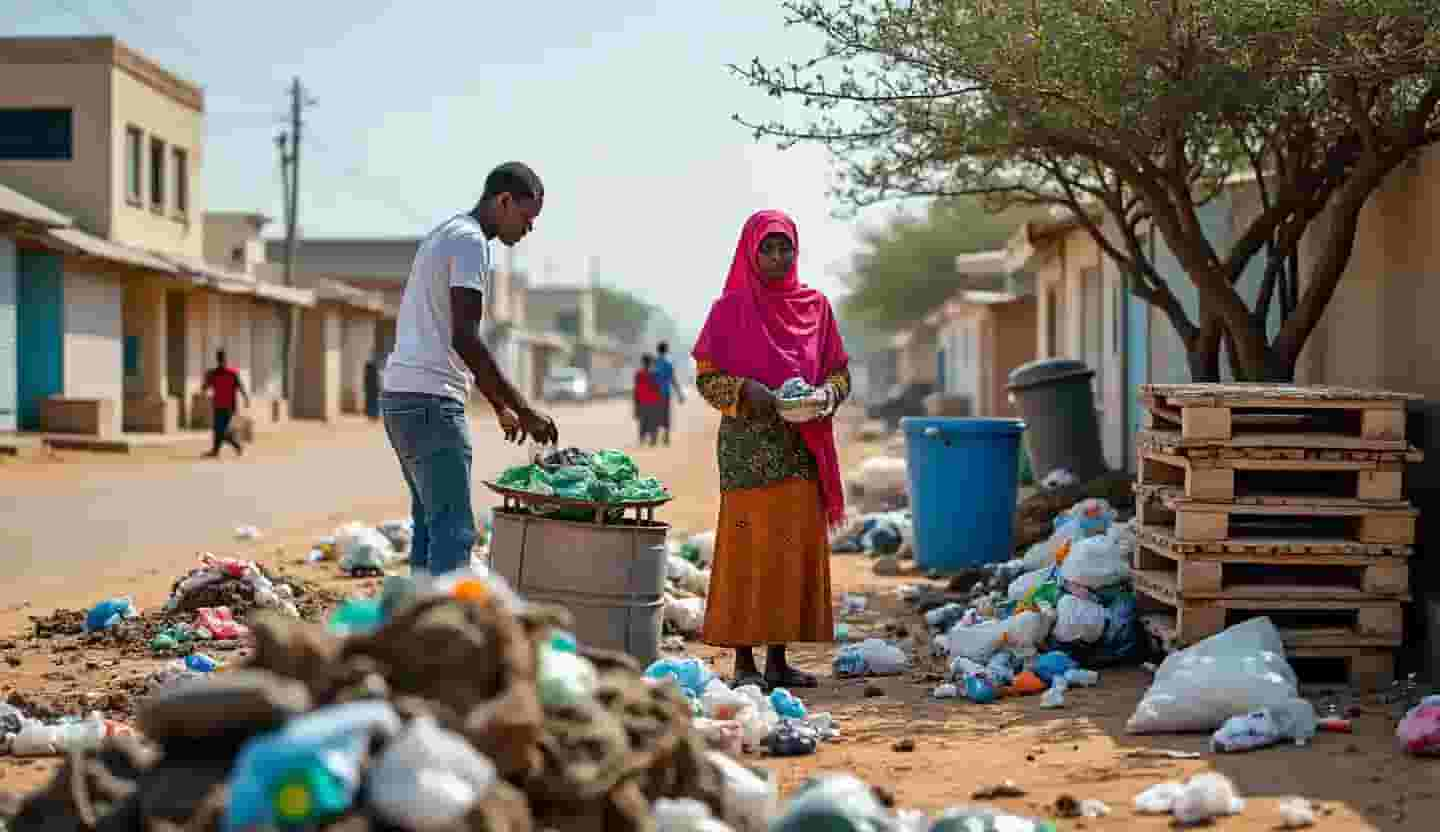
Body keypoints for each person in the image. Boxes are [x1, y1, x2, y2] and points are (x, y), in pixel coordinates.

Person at [693, 210, 851, 690]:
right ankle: (744, 663)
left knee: (788, 553)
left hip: (801, 450)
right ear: (751, 251)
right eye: (769, 248)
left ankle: (779, 660)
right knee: (747, 552)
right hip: (747, 452)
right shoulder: (729, 310)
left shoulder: (816, 307)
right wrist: (747, 392)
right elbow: (706, 377)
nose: (779, 257)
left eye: (786, 248)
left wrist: (826, 396)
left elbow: (840, 372)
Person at [381, 161, 559, 578]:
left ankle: (421, 631)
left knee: (431, 526)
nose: (528, 230)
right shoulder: (470, 243)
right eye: (527, 218)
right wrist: (525, 408)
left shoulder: (446, 234)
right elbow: (466, 337)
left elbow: (451, 337)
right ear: (503, 201)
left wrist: (499, 405)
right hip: (431, 405)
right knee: (455, 531)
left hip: (402, 400)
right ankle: (446, 637)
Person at [202, 350, 249, 458]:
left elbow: (240, 386)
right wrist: (246, 398)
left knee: (221, 430)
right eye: (221, 359)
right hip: (219, 405)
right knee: (218, 429)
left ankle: (236, 446)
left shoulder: (230, 373)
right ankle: (215, 451)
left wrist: (246, 398)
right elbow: (204, 387)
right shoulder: (215, 374)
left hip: (228, 407)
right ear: (220, 360)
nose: (222, 361)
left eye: (221, 359)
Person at [651, 340, 686, 446]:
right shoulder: (669, 363)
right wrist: (680, 394)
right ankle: (666, 437)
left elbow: (650, 378)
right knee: (666, 415)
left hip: (655, 393)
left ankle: (654, 438)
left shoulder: (654, 362)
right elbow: (673, 379)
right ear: (667, 350)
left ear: (658, 350)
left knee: (655, 415)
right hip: (665, 393)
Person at [633, 353, 662, 446]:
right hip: (654, 401)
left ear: (643, 362)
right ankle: (653, 439)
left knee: (643, 421)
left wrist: (636, 403)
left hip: (642, 402)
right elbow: (658, 388)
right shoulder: (656, 373)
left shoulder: (638, 374)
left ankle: (642, 439)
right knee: (653, 421)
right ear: (651, 362)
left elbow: (636, 389)